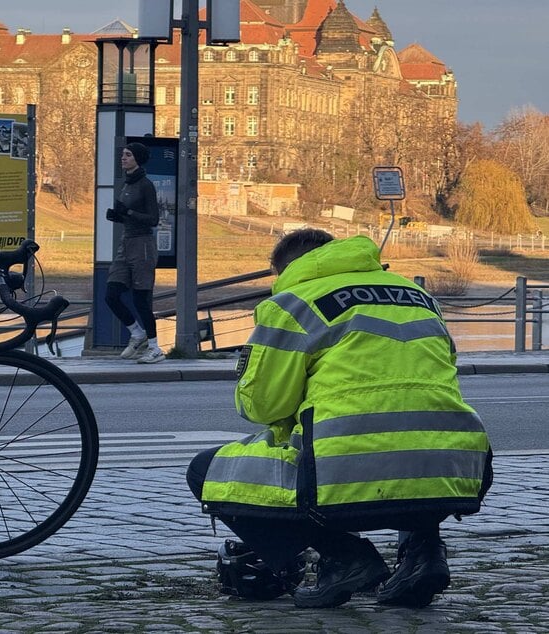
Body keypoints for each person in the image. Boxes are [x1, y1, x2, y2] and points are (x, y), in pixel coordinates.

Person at [187, 228, 493, 608]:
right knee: (412, 437)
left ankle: (344, 558)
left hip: (339, 477)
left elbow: (263, 406)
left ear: (285, 270)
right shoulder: (418, 296)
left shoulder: (293, 304)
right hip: (455, 470)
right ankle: (424, 553)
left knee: (204, 472)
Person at [105, 142, 164, 364]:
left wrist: (128, 212)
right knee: (111, 294)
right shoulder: (126, 184)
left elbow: (153, 219)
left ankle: (155, 348)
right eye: (123, 154)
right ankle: (137, 333)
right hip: (126, 243)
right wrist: (118, 216)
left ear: (137, 158)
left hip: (143, 245)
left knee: (141, 299)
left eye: (128, 155)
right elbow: (130, 215)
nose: (123, 158)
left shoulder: (145, 185)